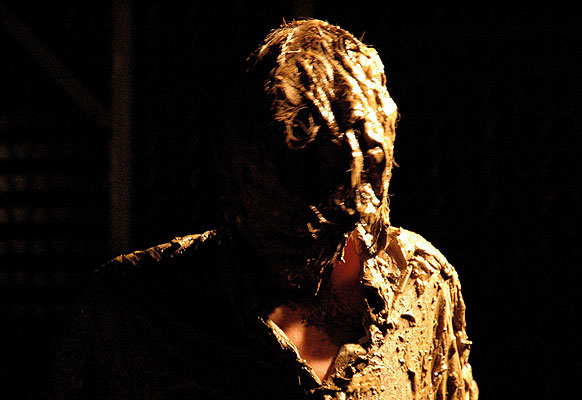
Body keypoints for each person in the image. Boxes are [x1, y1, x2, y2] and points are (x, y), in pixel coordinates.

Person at [53, 19, 478, 399]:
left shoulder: (421, 284)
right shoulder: (136, 311)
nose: (305, 230)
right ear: (238, 171)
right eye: (287, 194)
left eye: (328, 203)